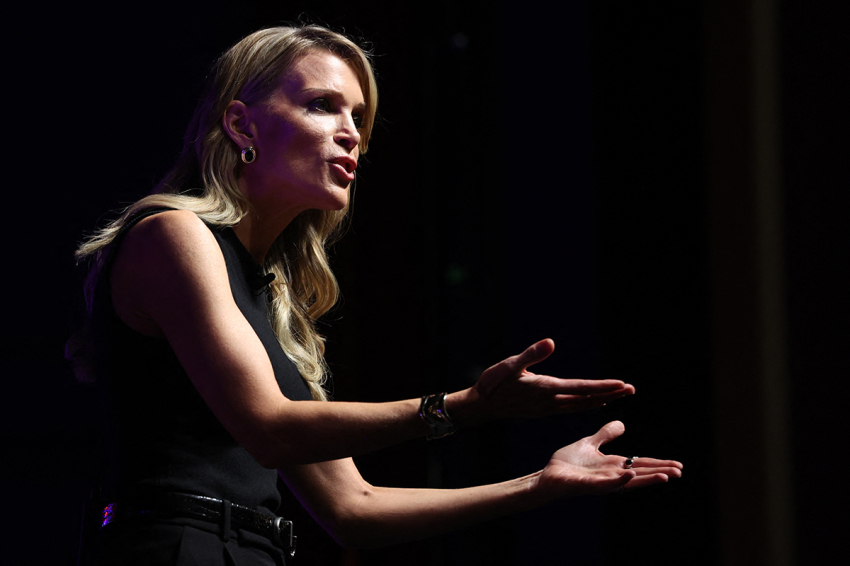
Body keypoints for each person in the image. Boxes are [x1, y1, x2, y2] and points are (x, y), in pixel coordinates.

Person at [68, 24, 683, 565]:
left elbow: (352, 507)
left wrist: (539, 485)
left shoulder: (270, 298)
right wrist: (462, 407)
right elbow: (270, 430)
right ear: (240, 123)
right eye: (322, 106)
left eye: (357, 117)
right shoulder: (173, 233)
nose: (350, 134)